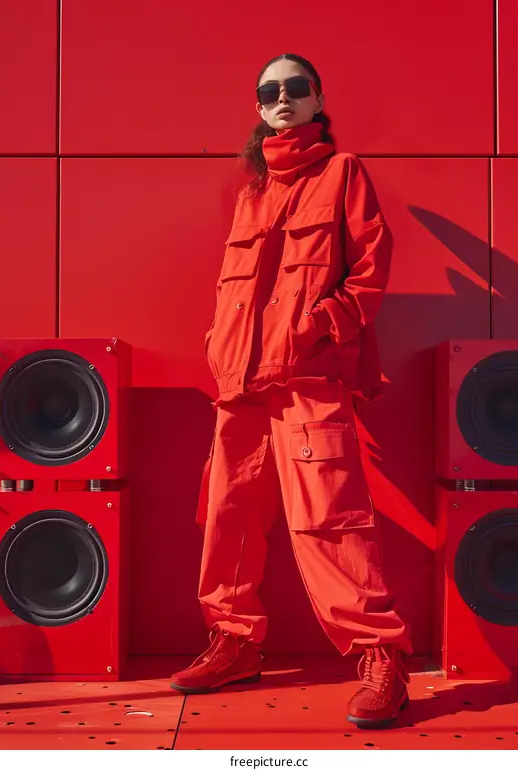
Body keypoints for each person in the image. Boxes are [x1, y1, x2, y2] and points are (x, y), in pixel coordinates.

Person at [171, 53, 412, 730]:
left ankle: (380, 655)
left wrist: (318, 328)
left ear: (317, 100)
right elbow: (236, 294)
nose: (282, 97)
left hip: (308, 378)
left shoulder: (343, 174)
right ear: (259, 107)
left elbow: (368, 272)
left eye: (295, 88)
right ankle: (235, 641)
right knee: (229, 516)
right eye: (269, 91)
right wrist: (222, 351)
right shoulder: (251, 195)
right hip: (239, 386)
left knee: (332, 520)